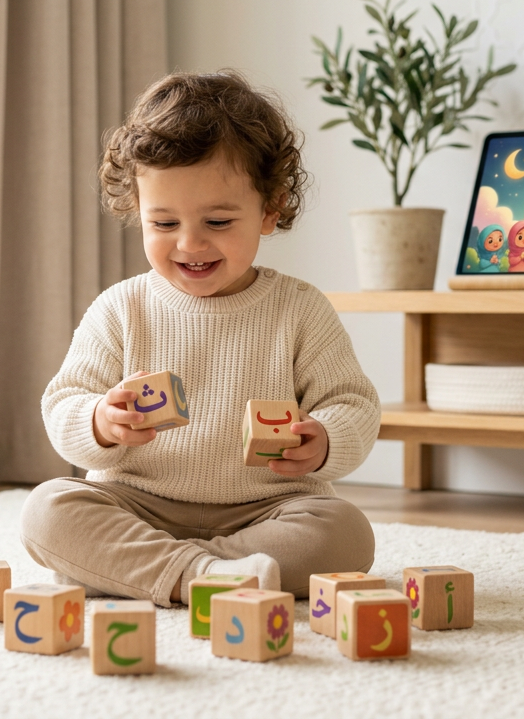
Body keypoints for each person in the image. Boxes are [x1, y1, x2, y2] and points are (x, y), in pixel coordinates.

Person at [22, 72, 381, 608]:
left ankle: (158, 570)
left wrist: (323, 439)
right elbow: (63, 402)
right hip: (137, 502)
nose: (190, 244)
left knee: (344, 530)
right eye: (163, 223)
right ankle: (210, 576)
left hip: (266, 508)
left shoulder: (300, 309)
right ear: (136, 212)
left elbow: (352, 403)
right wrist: (99, 420)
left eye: (217, 220)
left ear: (270, 209)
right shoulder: (121, 307)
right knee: (47, 510)